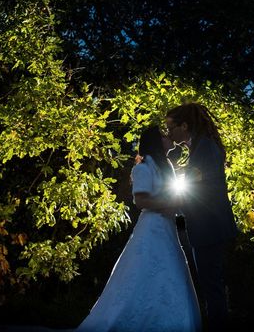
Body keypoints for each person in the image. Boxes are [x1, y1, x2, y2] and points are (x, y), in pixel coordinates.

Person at [73, 126, 202, 332]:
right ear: (155, 141)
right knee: (147, 271)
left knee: (169, 274)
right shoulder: (143, 168)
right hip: (152, 228)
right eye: (163, 134)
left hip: (167, 228)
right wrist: (171, 201)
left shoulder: (166, 166)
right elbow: (140, 200)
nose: (168, 137)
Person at [164, 103, 239, 332]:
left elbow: (194, 187)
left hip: (209, 227)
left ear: (184, 126)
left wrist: (164, 202)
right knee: (211, 285)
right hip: (209, 225)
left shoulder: (204, 147)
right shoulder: (200, 146)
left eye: (171, 127)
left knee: (211, 288)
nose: (169, 133)